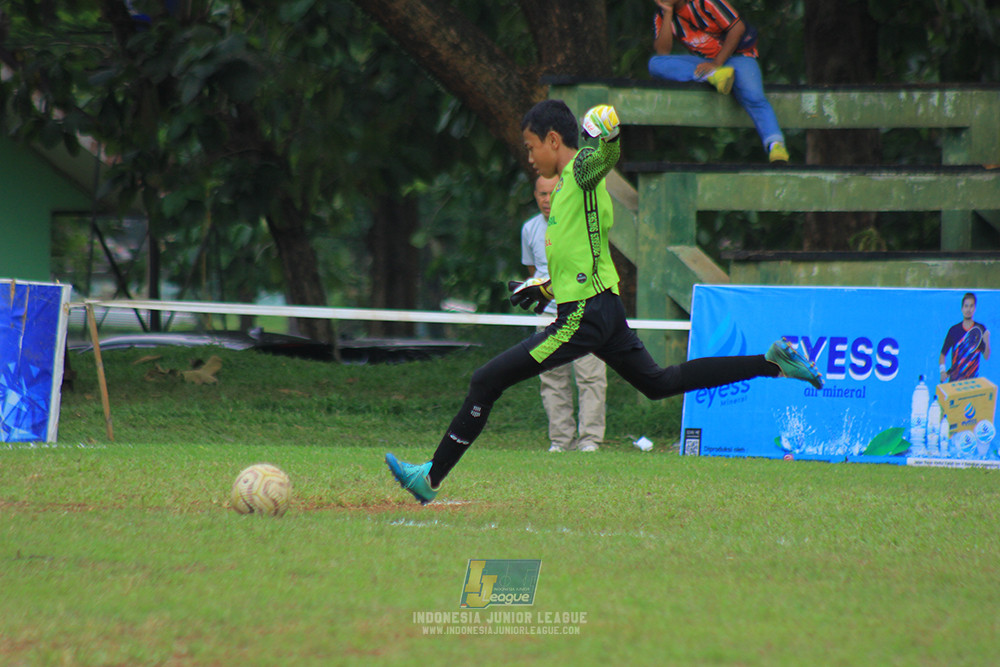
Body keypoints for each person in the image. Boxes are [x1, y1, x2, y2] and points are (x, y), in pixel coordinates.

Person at [385, 99, 822, 505]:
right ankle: (771, 363)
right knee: (659, 383)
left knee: (485, 381)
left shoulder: (578, 171)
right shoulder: (565, 192)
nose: (530, 156)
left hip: (586, 316)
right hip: (601, 309)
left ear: (553, 140)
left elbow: (603, 157)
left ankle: (430, 477)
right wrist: (543, 290)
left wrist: (607, 130)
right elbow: (579, 258)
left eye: (531, 146)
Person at [522, 174, 608, 453]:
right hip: (547, 316)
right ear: (535, 196)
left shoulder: (582, 223)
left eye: (552, 193)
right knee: (551, 379)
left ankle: (590, 441)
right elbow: (533, 275)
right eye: (542, 194)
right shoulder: (530, 229)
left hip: (584, 311)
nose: (547, 200)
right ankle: (560, 441)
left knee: (590, 377)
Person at [647, 0, 789, 164]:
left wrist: (717, 62)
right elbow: (663, 51)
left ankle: (775, 145)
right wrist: (668, 14)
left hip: (738, 57)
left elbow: (738, 28)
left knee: (754, 96)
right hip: (706, 64)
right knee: (656, 64)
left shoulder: (706, 3)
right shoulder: (662, 15)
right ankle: (712, 75)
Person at [940, 292, 991, 383]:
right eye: (966, 306)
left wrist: (987, 341)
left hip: (972, 383)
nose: (968, 309)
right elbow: (943, 355)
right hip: (955, 382)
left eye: (971, 306)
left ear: (974, 308)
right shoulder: (953, 330)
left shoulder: (980, 329)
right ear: (962, 308)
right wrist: (943, 371)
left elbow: (986, 356)